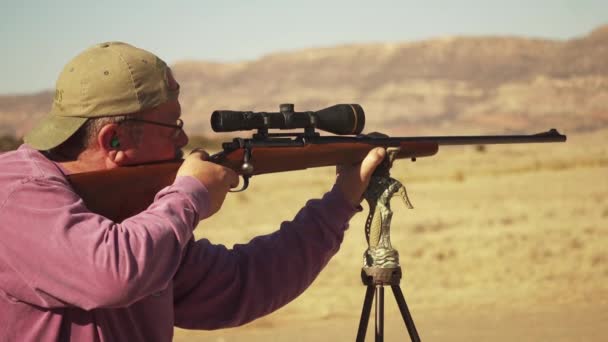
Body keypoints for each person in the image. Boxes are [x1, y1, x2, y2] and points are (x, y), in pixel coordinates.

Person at [0, 42, 386, 341]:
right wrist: (189, 194)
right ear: (113, 139)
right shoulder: (14, 192)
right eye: (173, 126)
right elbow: (113, 273)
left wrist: (341, 199)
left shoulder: (136, 215)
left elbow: (242, 283)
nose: (184, 138)